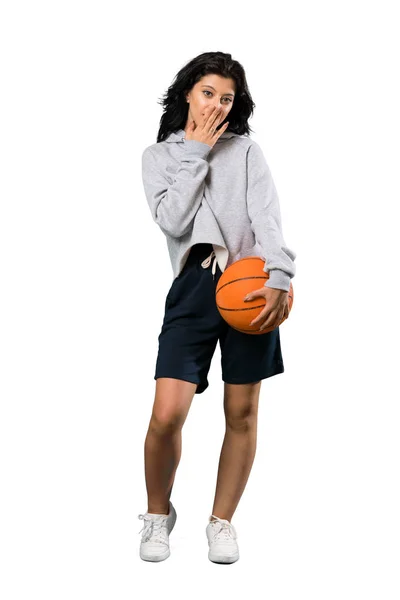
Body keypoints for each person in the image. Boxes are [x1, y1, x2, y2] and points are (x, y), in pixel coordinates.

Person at [138, 51, 297, 564]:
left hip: (251, 285)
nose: (216, 104)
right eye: (208, 93)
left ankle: (221, 522)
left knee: (242, 411)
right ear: (188, 92)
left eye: (226, 98)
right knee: (167, 415)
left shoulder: (247, 151)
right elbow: (173, 220)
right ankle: (158, 516)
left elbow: (267, 218)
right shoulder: (158, 157)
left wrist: (280, 275)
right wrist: (196, 153)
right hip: (194, 287)